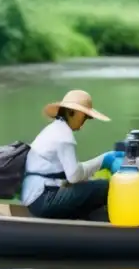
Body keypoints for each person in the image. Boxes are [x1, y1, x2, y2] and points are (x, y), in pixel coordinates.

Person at [21, 89, 122, 221]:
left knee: (89, 186)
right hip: (43, 199)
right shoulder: (64, 136)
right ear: (71, 112)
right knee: (105, 187)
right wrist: (103, 161)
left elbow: (69, 175)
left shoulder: (53, 129)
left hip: (34, 198)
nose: (84, 121)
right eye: (84, 116)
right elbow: (74, 176)